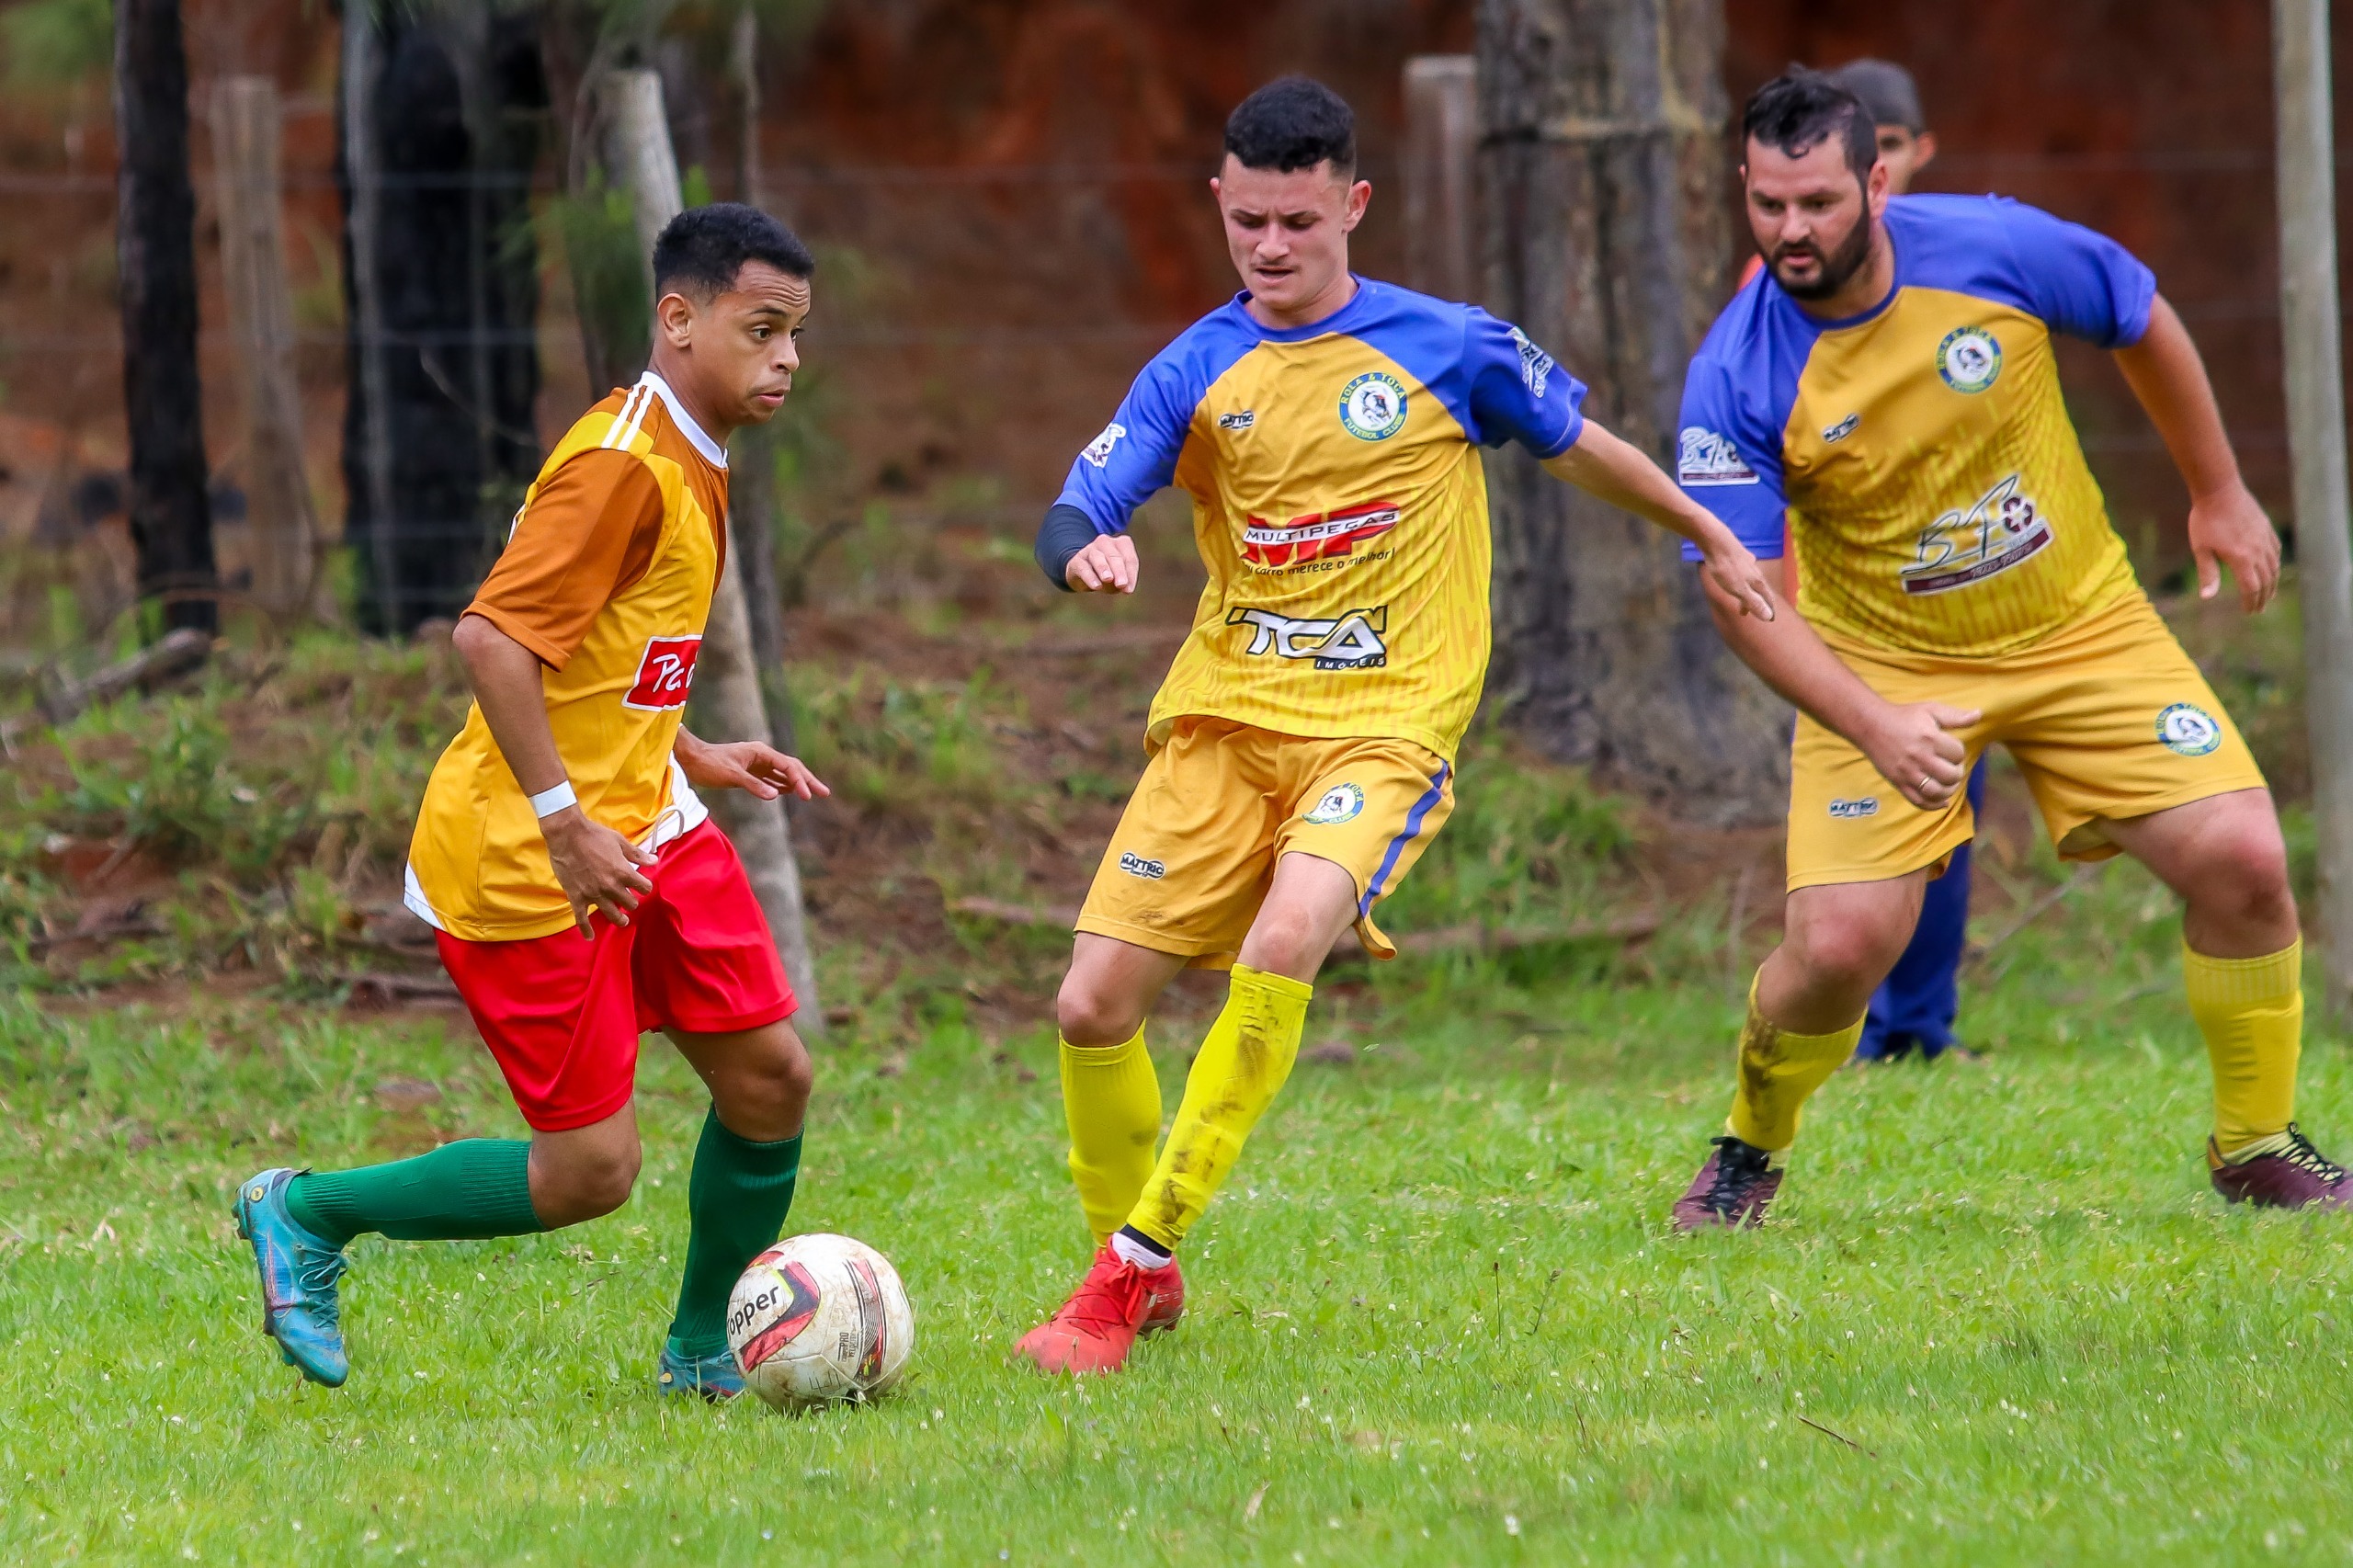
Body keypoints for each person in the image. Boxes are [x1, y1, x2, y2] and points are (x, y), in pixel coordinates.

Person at [1016, 76, 1778, 1372]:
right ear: (1220, 201)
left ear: (1353, 205)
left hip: (1383, 727)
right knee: (1092, 1005)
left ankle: (1121, 1270)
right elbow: (1080, 499)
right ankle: (1141, 1266)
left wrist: (1707, 528)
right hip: (1222, 721)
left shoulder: (1447, 345)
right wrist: (1084, 549)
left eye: (1298, 222)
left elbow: (1580, 442)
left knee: (1288, 933)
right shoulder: (1198, 363)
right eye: (1247, 218)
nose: (1269, 245)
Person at [1666, 71, 2348, 1230]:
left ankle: (2256, 1142)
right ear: (1746, 189)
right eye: (1770, 204)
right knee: (1835, 950)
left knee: (2244, 859)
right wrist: (1870, 722)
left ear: (1877, 181)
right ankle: (1748, 1145)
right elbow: (1744, 600)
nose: (1792, 230)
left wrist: (2219, 491)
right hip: (1881, 667)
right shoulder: (1736, 372)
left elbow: (2136, 311)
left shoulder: (1993, 248)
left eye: (1819, 202)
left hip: (2083, 629)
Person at [233, 204, 832, 1397]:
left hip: (642, 813)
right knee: (589, 1172)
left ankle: (703, 1344)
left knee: (773, 1076)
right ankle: (307, 1211)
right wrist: (563, 818)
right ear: (678, 319)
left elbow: (601, 654)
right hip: (525, 849)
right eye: (761, 330)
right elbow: (493, 640)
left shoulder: (687, 447)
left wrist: (694, 748)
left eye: (796, 335)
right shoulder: (622, 467)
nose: (787, 359)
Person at [1823, 57, 1980, 1064]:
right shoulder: (1787, 281)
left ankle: (1917, 1023)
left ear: (1916, 152)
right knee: (1866, 802)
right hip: (1845, 603)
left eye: (1888, 148)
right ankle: (1861, 1019)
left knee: (1951, 798)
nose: (1877, 170)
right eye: (1859, 149)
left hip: (1962, 588)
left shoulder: (1965, 263)